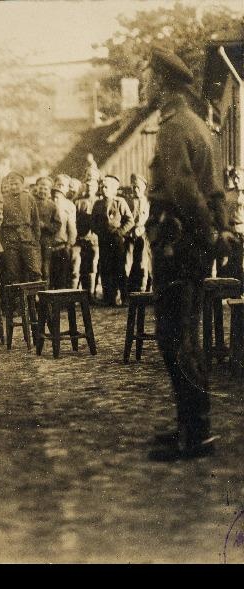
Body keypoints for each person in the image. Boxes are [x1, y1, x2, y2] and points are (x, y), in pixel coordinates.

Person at [143, 48, 233, 461]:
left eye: (147, 76)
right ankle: (191, 424)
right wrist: (217, 232)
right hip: (192, 242)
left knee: (175, 336)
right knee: (186, 334)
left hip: (177, 241)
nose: (144, 82)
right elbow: (216, 192)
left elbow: (181, 189)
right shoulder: (198, 124)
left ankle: (195, 433)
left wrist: (201, 235)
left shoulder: (173, 126)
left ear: (162, 84)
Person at [91, 174, 134, 306]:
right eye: (102, 186)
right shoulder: (98, 204)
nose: (104, 189)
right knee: (105, 268)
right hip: (103, 240)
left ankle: (124, 297)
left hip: (116, 240)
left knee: (119, 268)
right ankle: (108, 298)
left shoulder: (119, 202)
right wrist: (99, 232)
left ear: (114, 189)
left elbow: (130, 220)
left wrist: (120, 232)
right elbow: (93, 222)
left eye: (107, 187)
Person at [0, 171, 41, 284]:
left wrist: (35, 240)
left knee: (34, 271)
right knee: (13, 273)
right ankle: (17, 301)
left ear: (22, 184)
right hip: (10, 241)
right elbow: (0, 224)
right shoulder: (3, 199)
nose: (13, 187)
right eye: (11, 184)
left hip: (27, 239)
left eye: (16, 184)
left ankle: (37, 299)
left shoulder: (29, 198)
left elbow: (35, 221)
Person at [74, 164, 101, 293]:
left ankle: (93, 291)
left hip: (96, 239)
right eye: (87, 184)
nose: (90, 186)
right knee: (83, 266)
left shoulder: (100, 201)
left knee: (94, 266)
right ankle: (86, 294)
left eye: (93, 183)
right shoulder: (78, 202)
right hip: (81, 239)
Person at [123, 173, 151, 293]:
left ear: (144, 188)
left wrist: (143, 228)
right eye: (133, 187)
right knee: (127, 263)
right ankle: (127, 291)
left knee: (142, 263)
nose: (135, 189)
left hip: (143, 236)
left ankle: (142, 289)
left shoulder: (148, 202)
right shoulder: (127, 202)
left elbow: (150, 219)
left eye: (138, 187)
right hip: (129, 235)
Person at [49, 174, 78, 289]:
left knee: (62, 276)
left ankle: (62, 303)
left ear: (67, 189)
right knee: (50, 276)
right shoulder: (47, 203)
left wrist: (69, 244)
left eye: (63, 185)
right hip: (48, 246)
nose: (60, 187)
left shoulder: (69, 205)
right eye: (58, 184)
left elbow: (72, 229)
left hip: (62, 246)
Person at [34, 176, 61, 285]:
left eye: (45, 189)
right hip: (33, 240)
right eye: (41, 188)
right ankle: (34, 294)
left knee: (45, 268)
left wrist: (45, 225)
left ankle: (45, 292)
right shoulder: (32, 203)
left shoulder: (52, 206)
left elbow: (57, 224)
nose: (42, 191)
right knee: (34, 267)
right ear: (37, 188)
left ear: (49, 191)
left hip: (46, 241)